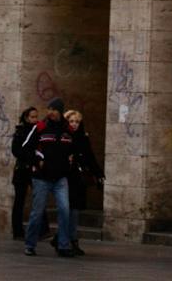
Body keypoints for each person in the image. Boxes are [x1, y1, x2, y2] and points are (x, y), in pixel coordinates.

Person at [24, 99, 74, 258]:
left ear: (60, 111)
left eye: (53, 109)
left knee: (65, 210)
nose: (50, 112)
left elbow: (75, 148)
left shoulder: (68, 130)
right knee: (37, 212)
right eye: (49, 109)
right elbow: (25, 148)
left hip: (61, 178)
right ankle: (30, 244)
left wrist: (72, 161)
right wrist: (36, 161)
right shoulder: (40, 128)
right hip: (41, 178)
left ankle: (63, 245)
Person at [63, 108, 104, 257]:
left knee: (75, 210)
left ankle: (70, 240)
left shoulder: (82, 137)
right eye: (71, 121)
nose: (74, 124)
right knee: (69, 210)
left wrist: (98, 173)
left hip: (78, 179)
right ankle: (68, 240)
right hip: (66, 177)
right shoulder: (63, 136)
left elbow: (90, 156)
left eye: (77, 122)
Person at [10, 107, 41, 241]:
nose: (35, 119)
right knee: (19, 200)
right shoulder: (21, 131)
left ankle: (42, 229)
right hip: (22, 170)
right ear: (26, 117)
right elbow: (17, 150)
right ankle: (17, 231)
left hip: (34, 170)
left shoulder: (38, 131)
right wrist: (31, 158)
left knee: (40, 198)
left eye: (36, 117)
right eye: (32, 117)